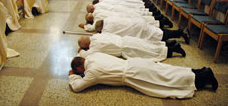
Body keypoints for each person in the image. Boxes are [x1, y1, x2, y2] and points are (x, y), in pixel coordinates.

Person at [69, 52, 218, 98]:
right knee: (167, 71)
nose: (82, 74)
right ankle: (199, 71)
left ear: (80, 68)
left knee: (165, 81)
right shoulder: (94, 55)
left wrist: (73, 76)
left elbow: (77, 88)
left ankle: (203, 78)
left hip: (133, 74)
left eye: (79, 72)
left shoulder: (92, 72)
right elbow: (82, 54)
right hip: (134, 63)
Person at [77, 34, 186, 62]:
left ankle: (173, 49)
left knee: (149, 52)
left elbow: (86, 55)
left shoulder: (94, 48)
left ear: (86, 46)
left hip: (126, 48)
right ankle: (171, 45)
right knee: (148, 45)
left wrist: (81, 51)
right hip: (126, 40)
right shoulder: (96, 36)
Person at [93, 17, 190, 43]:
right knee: (156, 32)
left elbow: (102, 36)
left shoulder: (106, 30)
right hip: (137, 23)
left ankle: (181, 32)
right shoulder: (108, 20)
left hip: (137, 29)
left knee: (158, 35)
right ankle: (180, 33)